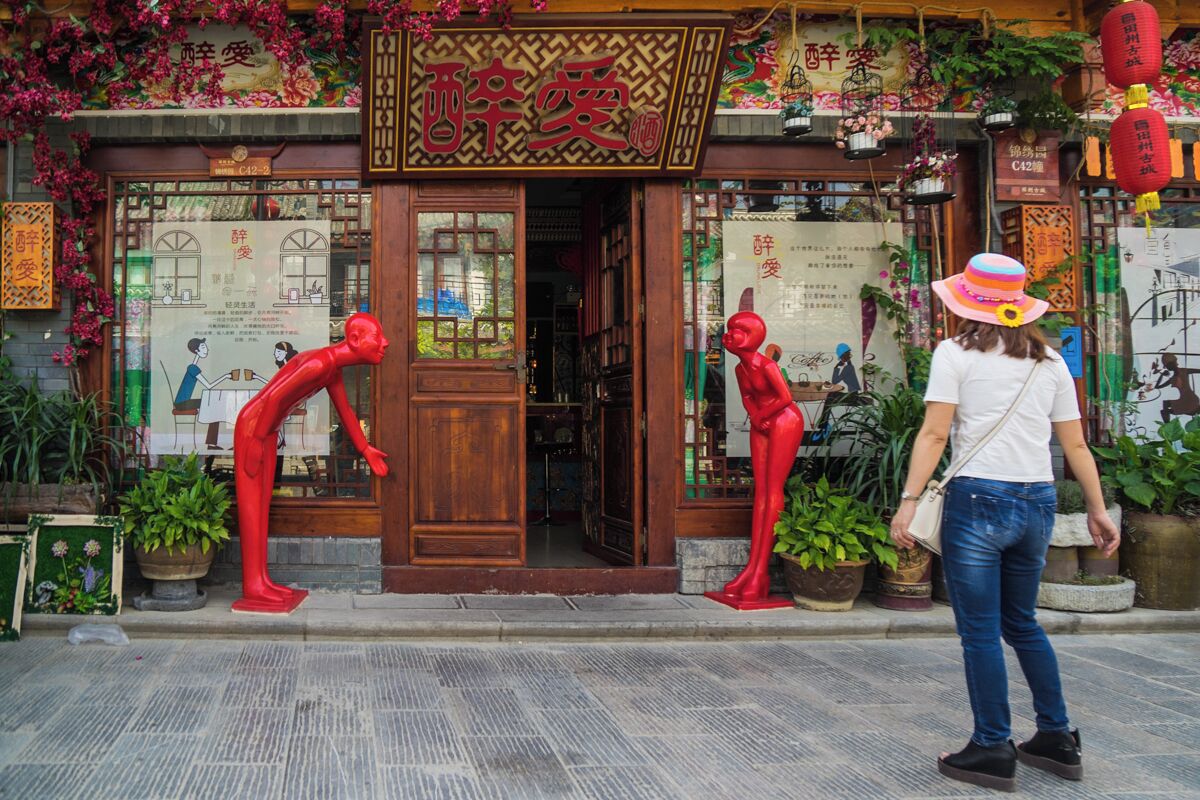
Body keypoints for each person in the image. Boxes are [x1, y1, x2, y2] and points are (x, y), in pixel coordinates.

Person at [889, 254, 1120, 792]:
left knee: (980, 632)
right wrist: (1097, 508)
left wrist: (909, 500)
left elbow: (934, 434)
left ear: (966, 303)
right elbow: (1075, 445)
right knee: (1022, 623)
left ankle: (992, 746)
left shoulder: (954, 353)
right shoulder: (1049, 361)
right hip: (1037, 500)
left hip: (979, 501)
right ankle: (1057, 737)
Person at [232, 313, 390, 613]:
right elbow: (274, 398)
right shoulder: (319, 364)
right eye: (377, 336)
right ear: (355, 340)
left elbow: (345, 411)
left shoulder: (330, 368)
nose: (385, 342)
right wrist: (256, 441)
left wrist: (365, 448)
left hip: (265, 431)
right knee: (253, 510)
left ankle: (261, 581)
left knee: (262, 507)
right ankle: (253, 587)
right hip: (254, 430)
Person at [717, 312, 804, 603]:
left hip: (784, 421)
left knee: (773, 490)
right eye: (730, 329)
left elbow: (785, 398)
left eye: (736, 330)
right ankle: (752, 569)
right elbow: (746, 397)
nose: (729, 335)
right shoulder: (740, 369)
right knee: (761, 492)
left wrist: (761, 415)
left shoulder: (767, 365)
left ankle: (760, 572)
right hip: (762, 423)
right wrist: (755, 416)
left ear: (751, 337)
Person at [174, 337, 233, 450]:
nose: (206, 349)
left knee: (215, 406)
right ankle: (211, 443)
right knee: (215, 407)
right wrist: (225, 376)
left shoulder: (193, 367)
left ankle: (212, 443)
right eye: (203, 347)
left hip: (184, 401)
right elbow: (209, 386)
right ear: (197, 351)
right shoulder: (192, 368)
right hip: (182, 403)